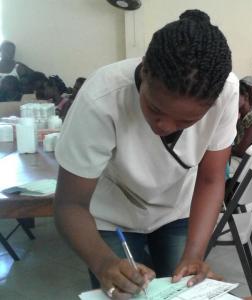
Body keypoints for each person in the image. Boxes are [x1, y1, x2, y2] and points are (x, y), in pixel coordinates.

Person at [54, 10, 237, 298]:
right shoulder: (101, 97)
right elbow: (69, 204)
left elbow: (211, 180)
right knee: (122, 288)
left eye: (186, 122)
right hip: (112, 218)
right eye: (155, 109)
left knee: (183, 288)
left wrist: (194, 254)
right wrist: (104, 263)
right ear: (144, 69)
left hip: (177, 209)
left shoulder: (225, 92)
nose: (164, 127)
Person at [232, 81, 252, 157]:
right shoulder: (243, 117)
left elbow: (241, 151)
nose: (232, 100)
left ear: (246, 96)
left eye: (236, 96)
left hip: (244, 162)